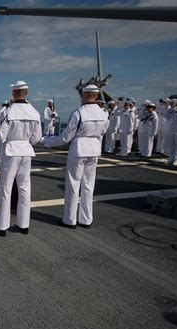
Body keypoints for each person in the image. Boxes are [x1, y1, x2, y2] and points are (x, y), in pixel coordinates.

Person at [43, 84, 108, 228]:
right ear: (96, 96)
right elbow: (103, 131)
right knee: (89, 185)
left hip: (79, 149)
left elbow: (65, 138)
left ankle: (70, 219)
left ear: (83, 96)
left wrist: (47, 142)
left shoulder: (79, 113)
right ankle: (86, 219)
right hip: (94, 150)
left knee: (73, 185)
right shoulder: (103, 113)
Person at [0, 80, 42, 237]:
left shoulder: (9, 112)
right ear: (26, 93)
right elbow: (37, 138)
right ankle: (23, 225)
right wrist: (25, 143)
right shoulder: (35, 113)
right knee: (24, 188)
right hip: (26, 151)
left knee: (6, 189)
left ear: (14, 94)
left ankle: (2, 226)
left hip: (11, 151)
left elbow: (1, 135)